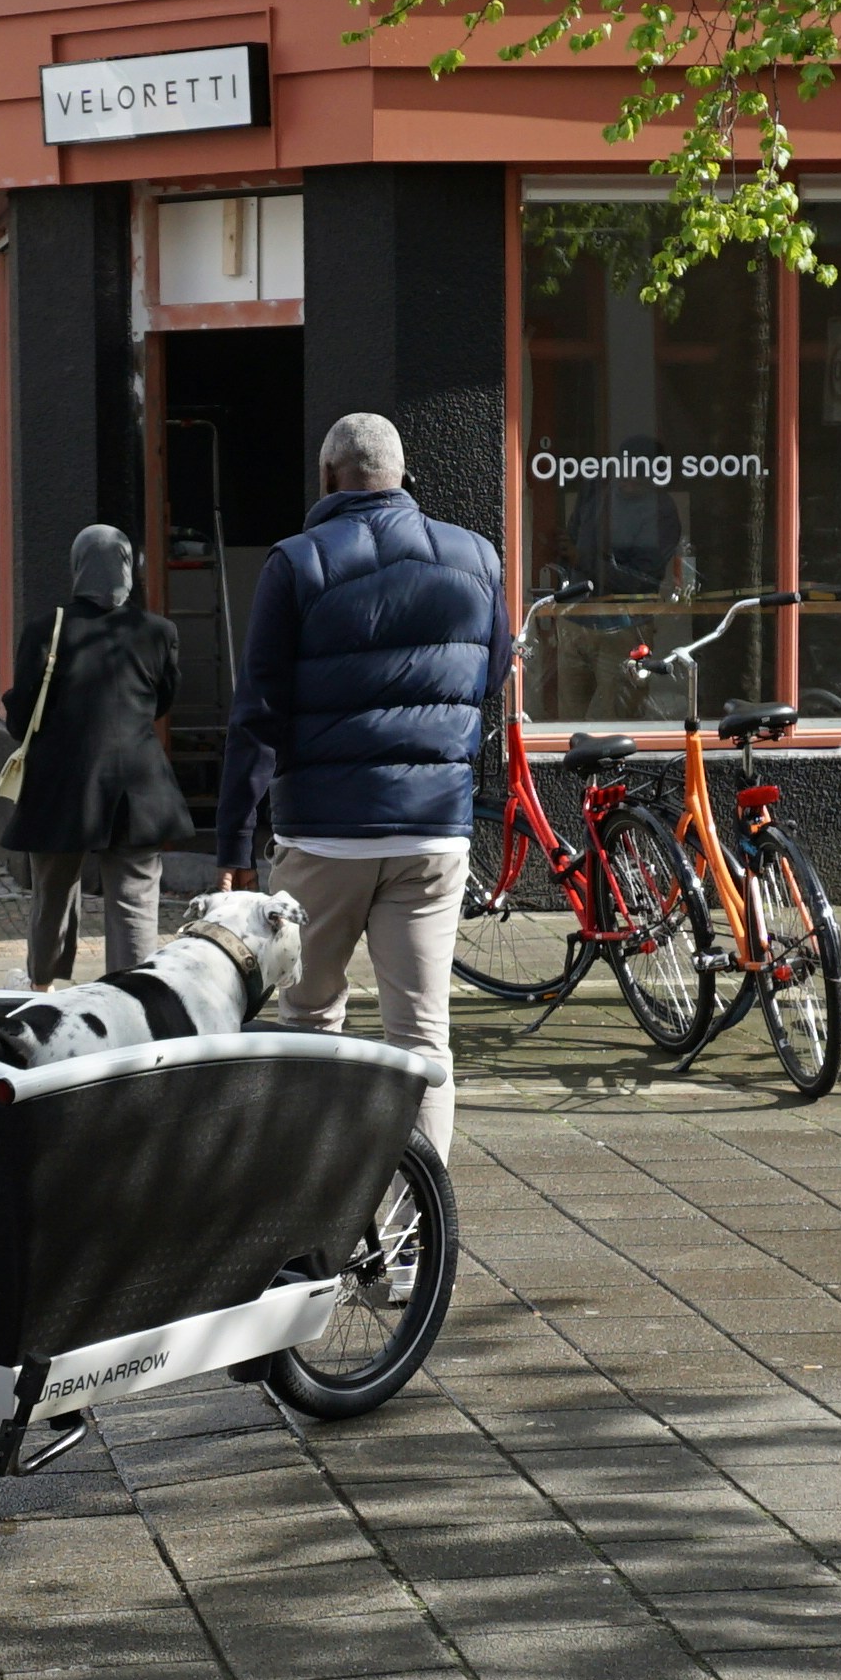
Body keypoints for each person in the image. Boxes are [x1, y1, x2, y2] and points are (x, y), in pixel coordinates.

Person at [215, 411, 513, 1161]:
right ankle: (421, 1215)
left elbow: (257, 712)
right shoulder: (477, 557)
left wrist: (234, 845)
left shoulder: (297, 563)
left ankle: (313, 1202)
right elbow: (491, 676)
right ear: (402, 475)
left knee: (310, 1019)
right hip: (433, 832)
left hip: (323, 835)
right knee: (423, 1036)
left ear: (328, 477)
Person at [1, 522, 190, 985]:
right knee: (135, 898)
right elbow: (162, 702)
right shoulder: (158, 631)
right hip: (138, 786)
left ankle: (42, 985)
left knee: (53, 892)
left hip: (60, 785)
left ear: (77, 566)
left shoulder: (47, 628)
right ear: (129, 567)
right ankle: (131, 994)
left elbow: (21, 714)